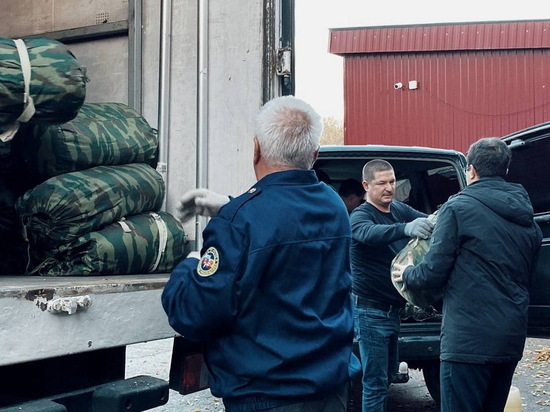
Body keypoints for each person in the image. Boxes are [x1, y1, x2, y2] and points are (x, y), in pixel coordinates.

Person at [162, 96, 355, 412]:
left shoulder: (240, 221)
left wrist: (189, 265)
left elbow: (194, 315)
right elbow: (289, 221)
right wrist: (229, 206)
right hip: (330, 393)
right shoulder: (333, 206)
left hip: (267, 397)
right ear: (315, 154)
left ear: (256, 149)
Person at [392, 137, 542, 412]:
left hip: (467, 340)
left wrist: (409, 274)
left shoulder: (457, 208)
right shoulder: (528, 220)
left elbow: (433, 273)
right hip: (509, 338)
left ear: (470, 170)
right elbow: (528, 278)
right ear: (505, 171)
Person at [350, 159, 434, 412]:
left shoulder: (399, 209)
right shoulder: (360, 216)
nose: (389, 187)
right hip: (370, 314)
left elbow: (429, 221)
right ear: (366, 185)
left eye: (392, 181)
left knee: (386, 379)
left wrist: (443, 218)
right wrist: (405, 229)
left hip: (394, 311)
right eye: (381, 183)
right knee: (375, 384)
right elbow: (368, 234)